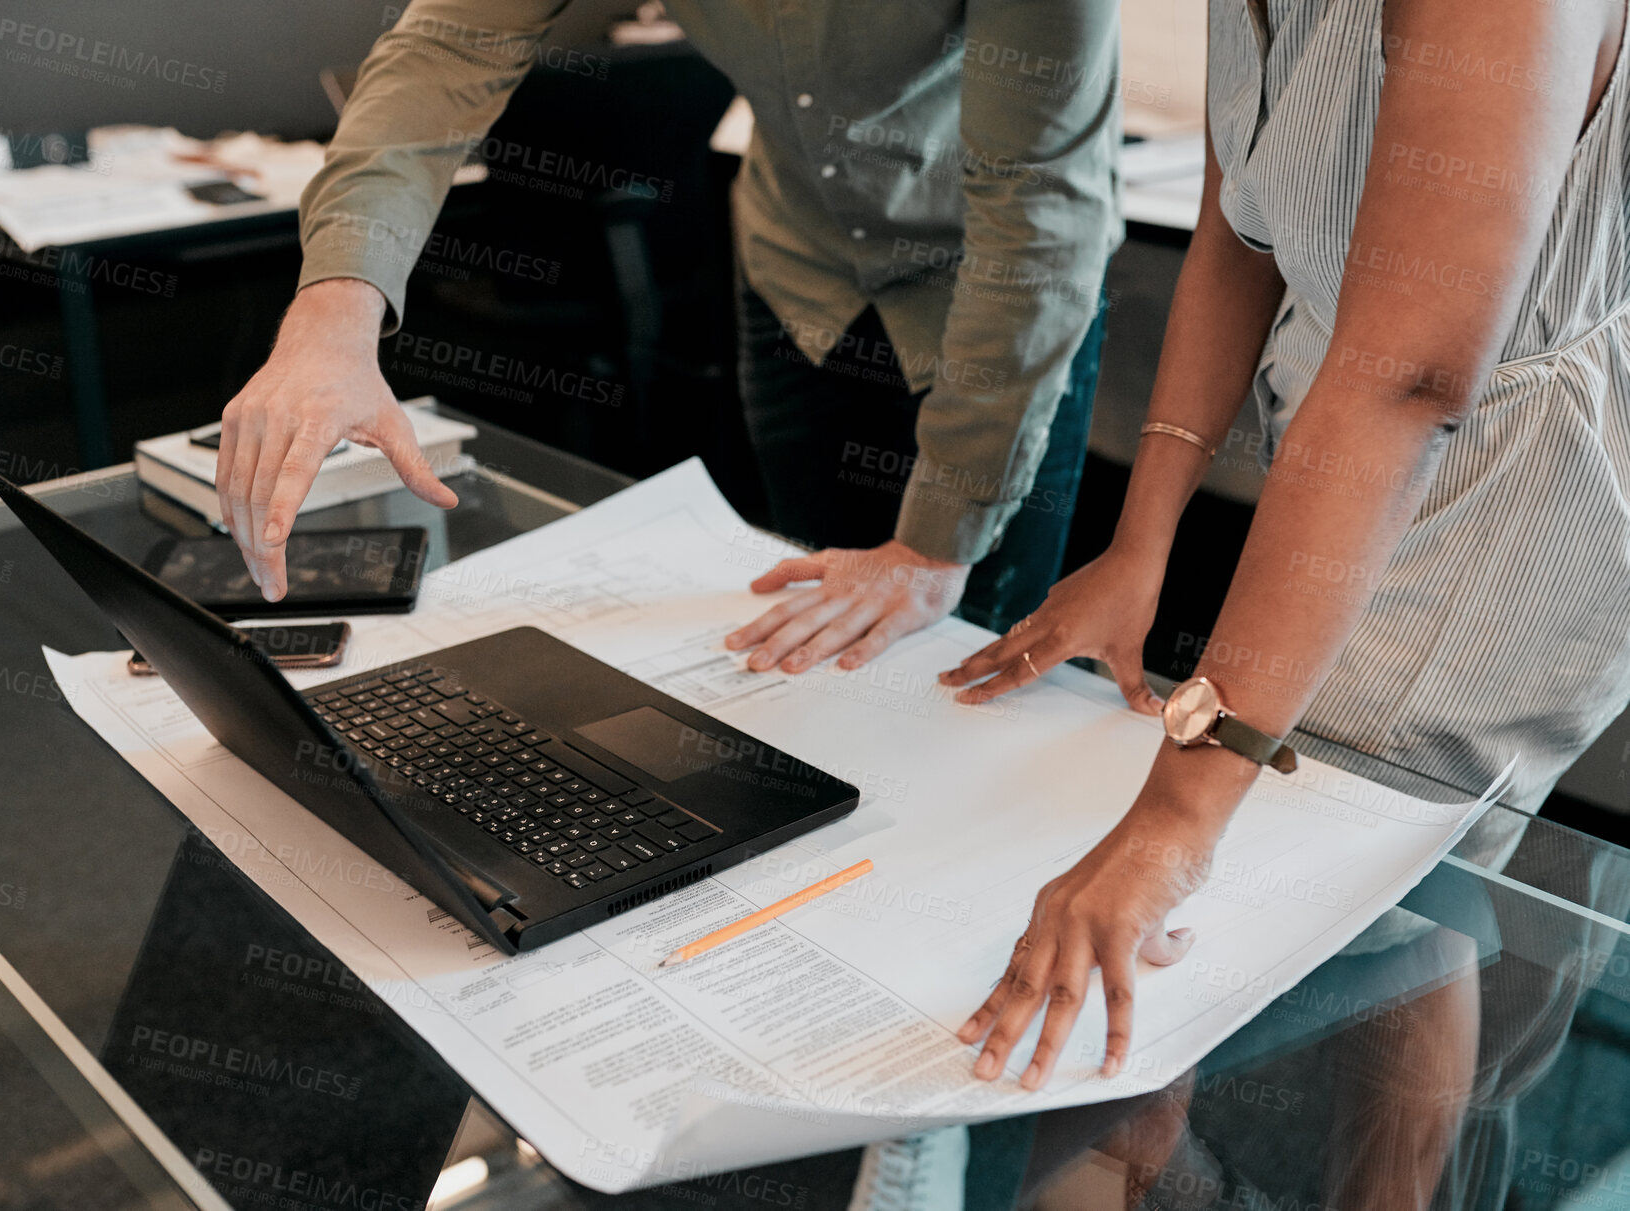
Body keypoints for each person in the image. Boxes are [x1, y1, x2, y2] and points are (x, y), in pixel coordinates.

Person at [941, 0, 1628, 1204]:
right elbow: (1235, 229)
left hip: (1502, 471)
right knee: (1351, 879)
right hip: (1341, 439)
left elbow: (1412, 378)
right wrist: (1140, 540)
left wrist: (1173, 814)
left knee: (1385, 867)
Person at [214, 0, 1122, 673]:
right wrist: (332, 316)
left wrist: (932, 547)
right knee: (813, 640)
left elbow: (1035, 217)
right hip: (797, 269)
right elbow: (447, 45)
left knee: (966, 663)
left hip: (995, 303)